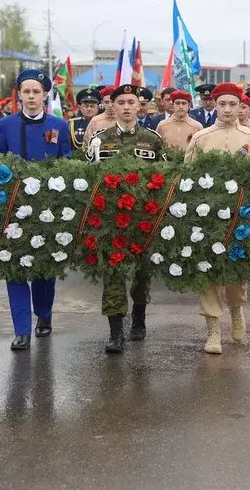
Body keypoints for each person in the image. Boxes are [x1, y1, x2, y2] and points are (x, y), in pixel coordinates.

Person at [185, 82, 250, 354]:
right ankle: (213, 329)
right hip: (207, 215)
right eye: (222, 104)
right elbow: (187, 176)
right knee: (207, 269)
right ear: (215, 105)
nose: (228, 109)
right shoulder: (201, 138)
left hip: (239, 215)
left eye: (233, 104)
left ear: (241, 106)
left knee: (236, 269)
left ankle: (236, 310)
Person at [0, 69, 72, 351]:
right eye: (26, 91)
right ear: (19, 94)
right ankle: (21, 329)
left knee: (43, 266)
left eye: (36, 92)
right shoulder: (6, 125)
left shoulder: (59, 125)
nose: (31, 97)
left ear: (44, 95)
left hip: (47, 207)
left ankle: (44, 312)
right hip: (14, 207)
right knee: (14, 265)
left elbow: (66, 160)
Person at [87, 84, 166, 354]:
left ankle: (139, 320)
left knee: (143, 272)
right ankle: (115, 332)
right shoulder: (99, 139)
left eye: (131, 102)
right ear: (112, 105)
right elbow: (88, 179)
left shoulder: (152, 139)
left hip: (143, 217)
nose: (126, 107)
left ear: (139, 105)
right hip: (110, 219)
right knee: (113, 272)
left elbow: (163, 178)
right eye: (121, 102)